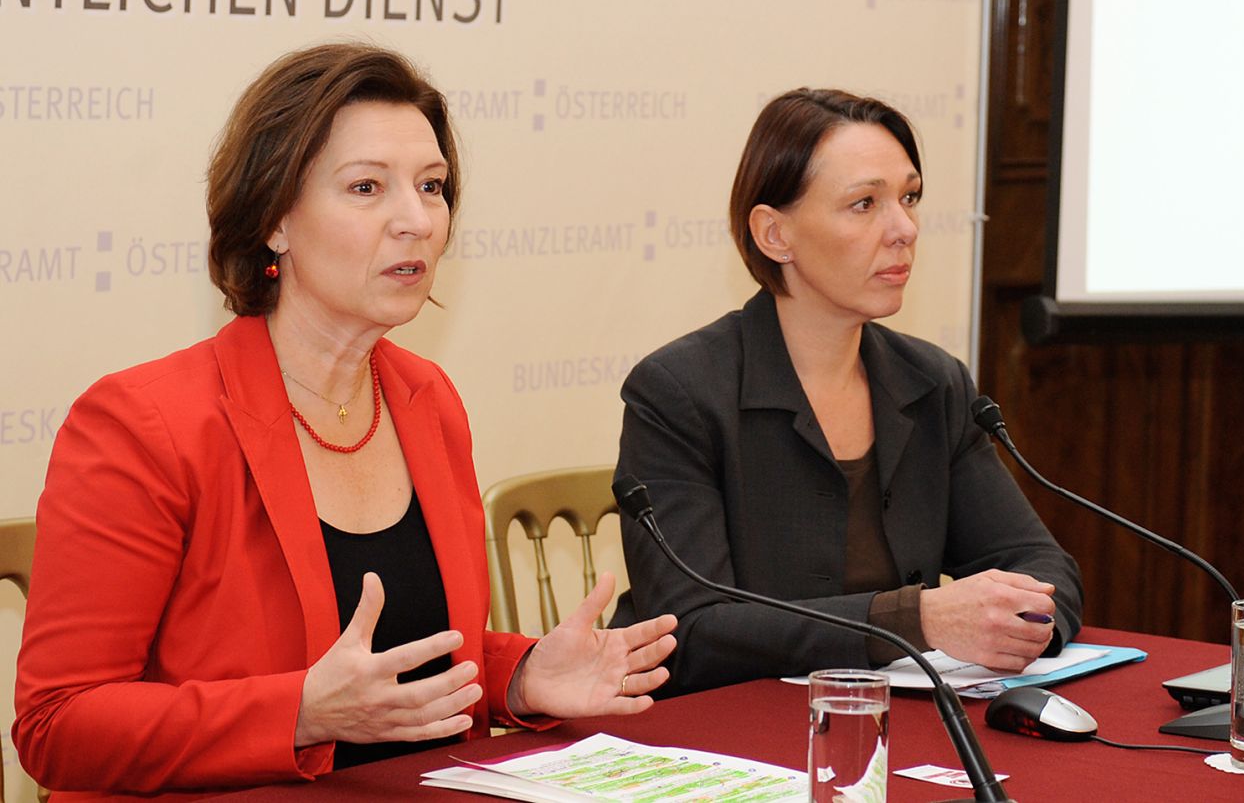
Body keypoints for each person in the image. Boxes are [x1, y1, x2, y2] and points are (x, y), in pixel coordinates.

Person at [13, 44, 678, 796]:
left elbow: (405, 659)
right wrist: (299, 713)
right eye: (366, 187)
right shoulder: (144, 425)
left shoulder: (427, 399)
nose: (416, 221)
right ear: (274, 221)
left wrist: (519, 678)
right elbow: (58, 723)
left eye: (432, 187)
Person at [612, 88, 1082, 695]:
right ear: (774, 234)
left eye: (909, 197)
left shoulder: (932, 383)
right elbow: (691, 632)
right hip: (723, 734)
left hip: (892, 716)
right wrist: (915, 620)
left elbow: (1046, 569)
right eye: (864, 204)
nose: (905, 229)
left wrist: (1020, 621)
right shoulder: (679, 393)